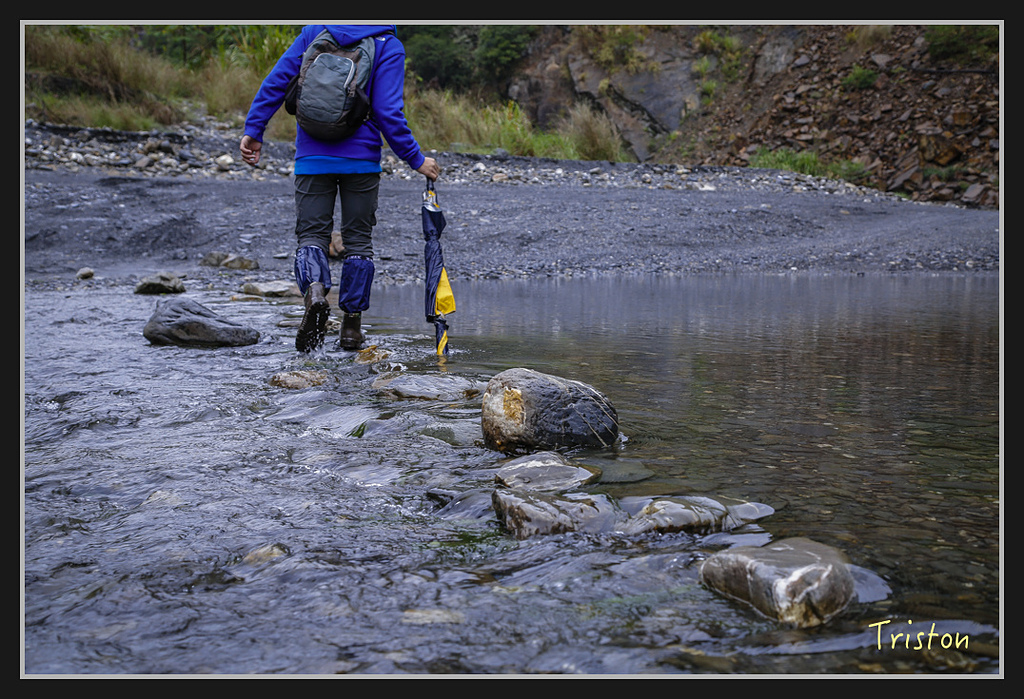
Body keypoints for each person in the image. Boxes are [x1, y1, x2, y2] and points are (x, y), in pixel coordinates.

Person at [240, 24, 440, 352]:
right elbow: (388, 112)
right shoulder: (387, 45)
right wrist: (416, 159)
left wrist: (254, 129)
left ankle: (316, 293)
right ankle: (351, 329)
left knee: (311, 237)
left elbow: (277, 82)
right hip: (361, 161)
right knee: (358, 241)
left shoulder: (315, 33)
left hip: (311, 155)